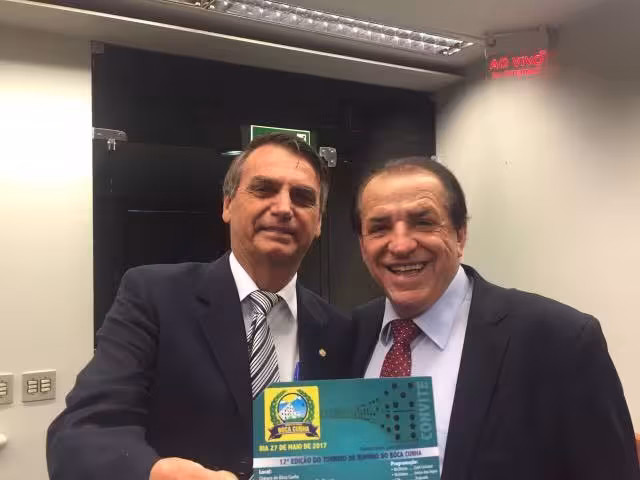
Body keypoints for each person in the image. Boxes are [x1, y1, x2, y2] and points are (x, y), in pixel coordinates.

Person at [47, 133, 354, 480]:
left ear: (318, 222)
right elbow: (81, 435)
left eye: (302, 197)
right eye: (264, 189)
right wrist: (155, 473)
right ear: (228, 205)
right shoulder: (153, 297)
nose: (284, 208)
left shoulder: (338, 330)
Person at [351, 156, 640, 480]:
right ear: (363, 246)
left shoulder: (561, 341)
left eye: (423, 222)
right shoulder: (350, 334)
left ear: (460, 235)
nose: (401, 245)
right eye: (379, 228)